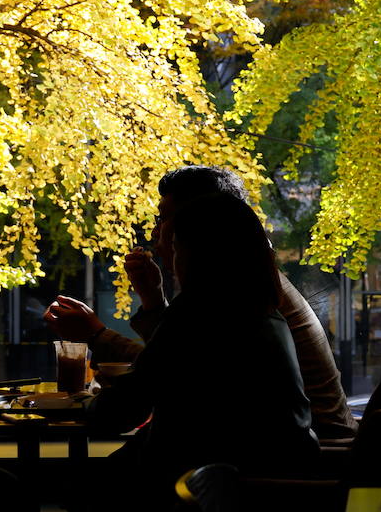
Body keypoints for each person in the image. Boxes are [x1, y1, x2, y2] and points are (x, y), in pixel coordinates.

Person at [44, 165, 357, 439]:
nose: (157, 233)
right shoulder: (254, 286)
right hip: (283, 452)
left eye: (166, 219)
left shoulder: (222, 298)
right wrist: (153, 300)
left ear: (201, 223)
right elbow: (188, 364)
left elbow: (146, 389)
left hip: (271, 470)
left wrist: (96, 337)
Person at [86, 194, 318, 487]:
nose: (158, 234)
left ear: (198, 253)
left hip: (213, 491)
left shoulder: (199, 311)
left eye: (174, 242)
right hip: (277, 482)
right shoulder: (263, 313)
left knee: (98, 483)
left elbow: (123, 409)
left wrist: (83, 404)